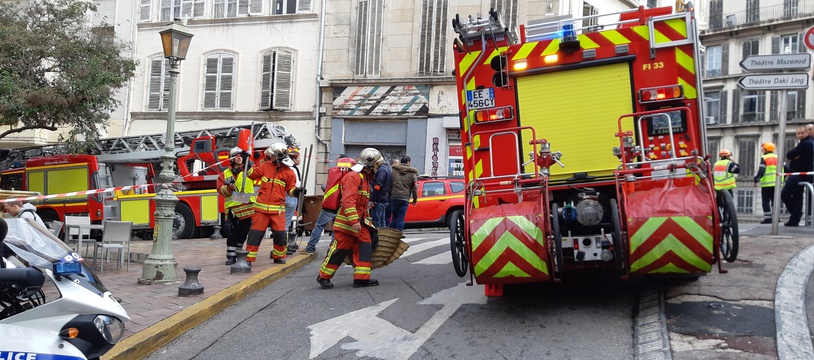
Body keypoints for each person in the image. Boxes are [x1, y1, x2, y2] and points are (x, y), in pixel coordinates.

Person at [317, 148, 382, 289]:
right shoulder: (353, 177)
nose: (379, 167)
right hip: (347, 223)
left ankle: (361, 279)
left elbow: (362, 204)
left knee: (365, 248)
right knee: (338, 251)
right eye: (377, 164)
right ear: (370, 164)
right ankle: (323, 276)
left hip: (361, 223)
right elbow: (348, 201)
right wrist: (353, 221)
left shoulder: (364, 178)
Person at [245, 143, 302, 264]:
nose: (270, 156)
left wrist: (296, 192)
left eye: (272, 155)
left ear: (277, 155)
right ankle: (248, 258)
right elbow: (251, 174)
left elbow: (290, 190)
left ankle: (279, 256)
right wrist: (247, 163)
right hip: (261, 209)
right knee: (255, 234)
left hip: (277, 210)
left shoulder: (289, 172)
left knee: (280, 234)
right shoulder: (265, 166)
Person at [300, 155, 357, 254]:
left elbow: (327, 187)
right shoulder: (353, 175)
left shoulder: (334, 173)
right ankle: (332, 249)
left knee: (319, 226)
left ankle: (310, 248)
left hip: (330, 205)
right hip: (342, 206)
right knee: (336, 229)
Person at [216, 147, 254, 265]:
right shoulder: (224, 174)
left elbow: (259, 172)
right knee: (231, 232)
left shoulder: (249, 171)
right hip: (232, 208)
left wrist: (249, 161)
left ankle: (238, 252)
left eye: (241, 155)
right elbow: (220, 189)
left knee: (243, 232)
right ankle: (231, 257)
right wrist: (229, 188)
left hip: (247, 207)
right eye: (236, 155)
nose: (239, 157)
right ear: (231, 159)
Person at [781, 126, 814, 227]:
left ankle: (796, 214)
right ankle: (794, 219)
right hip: (800, 173)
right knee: (797, 196)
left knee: (785, 193)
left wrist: (794, 156)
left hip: (799, 174)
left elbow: (789, 155)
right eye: (798, 133)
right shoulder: (805, 143)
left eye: (802, 133)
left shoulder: (805, 144)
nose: (800, 135)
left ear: (807, 133)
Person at [389, 155, 418, 231]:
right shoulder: (412, 173)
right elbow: (415, 188)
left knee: (394, 216)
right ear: (408, 162)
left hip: (394, 196)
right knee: (401, 218)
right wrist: (415, 199)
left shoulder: (394, 170)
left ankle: (392, 233)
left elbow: (389, 183)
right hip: (404, 198)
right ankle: (399, 233)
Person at [753, 142, 778, 224]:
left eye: (763, 148)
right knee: (775, 201)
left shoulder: (764, 158)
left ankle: (768, 218)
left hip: (767, 184)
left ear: (766, 149)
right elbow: (786, 169)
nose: (762, 150)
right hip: (777, 184)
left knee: (765, 201)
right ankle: (776, 218)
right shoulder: (778, 157)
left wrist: (756, 179)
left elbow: (761, 171)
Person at [284, 146, 302, 254]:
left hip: (284, 197)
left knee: (283, 223)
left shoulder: (285, 168)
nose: (300, 160)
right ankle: (283, 247)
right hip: (291, 196)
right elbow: (296, 184)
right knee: (285, 224)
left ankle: (282, 246)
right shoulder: (292, 169)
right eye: (299, 158)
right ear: (293, 159)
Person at [370, 156, 392, 228]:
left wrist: (373, 199)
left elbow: (378, 185)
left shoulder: (381, 170)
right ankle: (383, 234)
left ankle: (378, 234)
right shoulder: (387, 169)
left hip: (379, 199)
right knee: (382, 220)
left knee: (376, 221)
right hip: (384, 198)